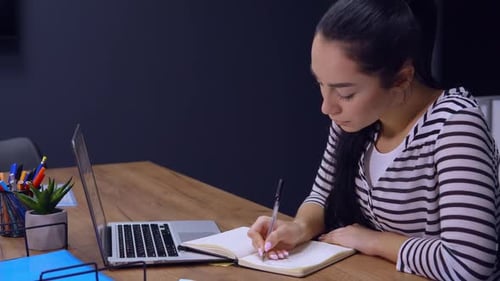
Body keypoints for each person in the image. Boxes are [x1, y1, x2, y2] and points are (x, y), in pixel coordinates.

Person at [247, 0, 500, 280]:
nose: (327, 107)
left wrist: (370, 240)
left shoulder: (455, 128)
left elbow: (469, 264)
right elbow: (323, 195)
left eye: (345, 93)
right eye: (321, 84)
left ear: (402, 78)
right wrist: (299, 227)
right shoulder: (355, 121)